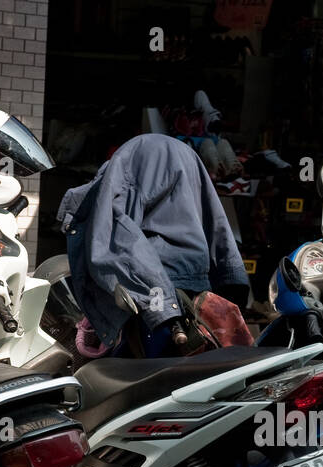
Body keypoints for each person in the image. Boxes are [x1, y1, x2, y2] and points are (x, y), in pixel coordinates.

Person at [57, 133, 251, 358]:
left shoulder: (129, 167)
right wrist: (231, 284)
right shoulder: (190, 170)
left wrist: (161, 307)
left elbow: (113, 233)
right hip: (189, 301)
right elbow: (220, 232)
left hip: (152, 310)